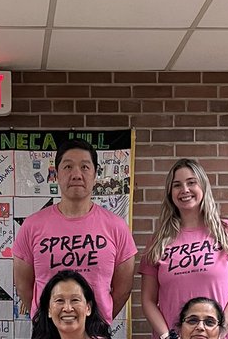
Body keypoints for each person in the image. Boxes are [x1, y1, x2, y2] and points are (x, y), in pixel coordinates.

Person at [140, 158, 228, 339]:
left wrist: (218, 334)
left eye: (191, 182)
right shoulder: (158, 241)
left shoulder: (227, 231)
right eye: (177, 185)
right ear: (170, 193)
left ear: (203, 186)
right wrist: (169, 338)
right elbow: (148, 300)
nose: (185, 189)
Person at [12, 137, 137, 324]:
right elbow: (23, 286)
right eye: (68, 167)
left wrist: (100, 318)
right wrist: (47, 318)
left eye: (85, 167)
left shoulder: (116, 227)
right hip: (48, 331)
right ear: (56, 174)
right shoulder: (32, 226)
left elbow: (123, 289)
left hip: (96, 331)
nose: (77, 174)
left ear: (95, 174)